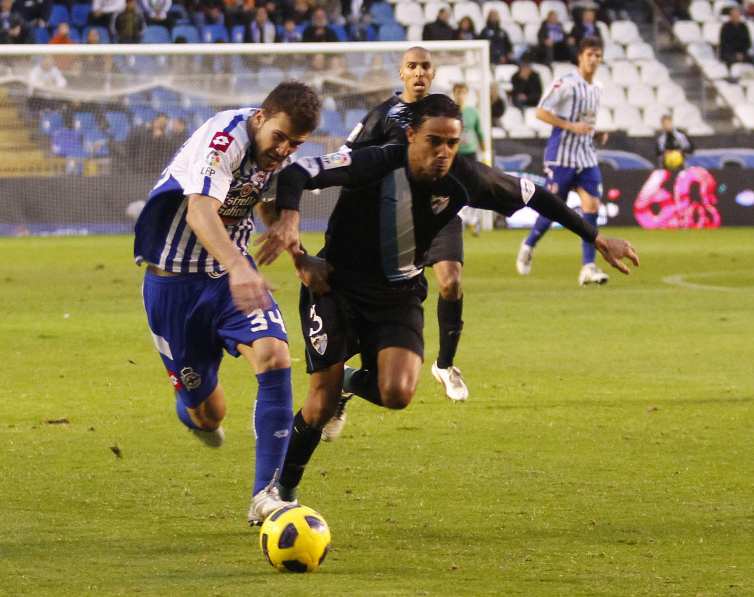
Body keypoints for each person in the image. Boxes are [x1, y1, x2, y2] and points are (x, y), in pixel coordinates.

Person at [259, 93, 638, 504]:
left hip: (398, 295)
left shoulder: (467, 177)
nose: (443, 152)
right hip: (334, 286)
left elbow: (536, 196)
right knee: (319, 404)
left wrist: (597, 238)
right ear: (411, 135)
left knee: (397, 394)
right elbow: (297, 173)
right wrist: (297, 249)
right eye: (434, 140)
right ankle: (280, 495)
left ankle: (349, 381)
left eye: (452, 143)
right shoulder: (376, 162)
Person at [132, 81, 322, 525]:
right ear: (261, 118)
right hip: (173, 284)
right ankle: (194, 411)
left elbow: (270, 201)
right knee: (208, 413)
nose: (283, 150)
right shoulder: (225, 138)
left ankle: (267, 496)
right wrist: (240, 265)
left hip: (230, 280)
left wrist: (293, 248)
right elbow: (199, 210)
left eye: (295, 144)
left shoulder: (278, 155)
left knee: (275, 355)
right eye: (279, 138)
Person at [342, 46, 471, 410]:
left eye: (425, 66)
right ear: (401, 73)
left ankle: (445, 365)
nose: (418, 72)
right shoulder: (383, 116)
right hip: (392, 222)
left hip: (439, 210)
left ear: (433, 72)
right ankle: (348, 377)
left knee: (452, 281)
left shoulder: (442, 110)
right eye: (411, 66)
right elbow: (348, 159)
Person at [516, 37, 611, 286]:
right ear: (580, 56)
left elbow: (585, 122)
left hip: (586, 156)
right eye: (590, 54)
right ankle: (529, 244)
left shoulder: (597, 88)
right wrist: (570, 126)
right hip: (561, 158)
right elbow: (540, 111)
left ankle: (588, 267)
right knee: (554, 209)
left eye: (598, 56)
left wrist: (595, 132)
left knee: (592, 207)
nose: (594, 60)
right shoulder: (565, 84)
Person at [451, 82, 486, 236]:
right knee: (453, 188)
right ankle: (456, 220)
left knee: (472, 187)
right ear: (453, 93)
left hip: (470, 154)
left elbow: (480, 134)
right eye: (457, 91)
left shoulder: (473, 112)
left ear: (466, 94)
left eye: (463, 91)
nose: (460, 94)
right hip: (454, 155)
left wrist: (485, 155)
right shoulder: (449, 112)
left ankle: (472, 220)